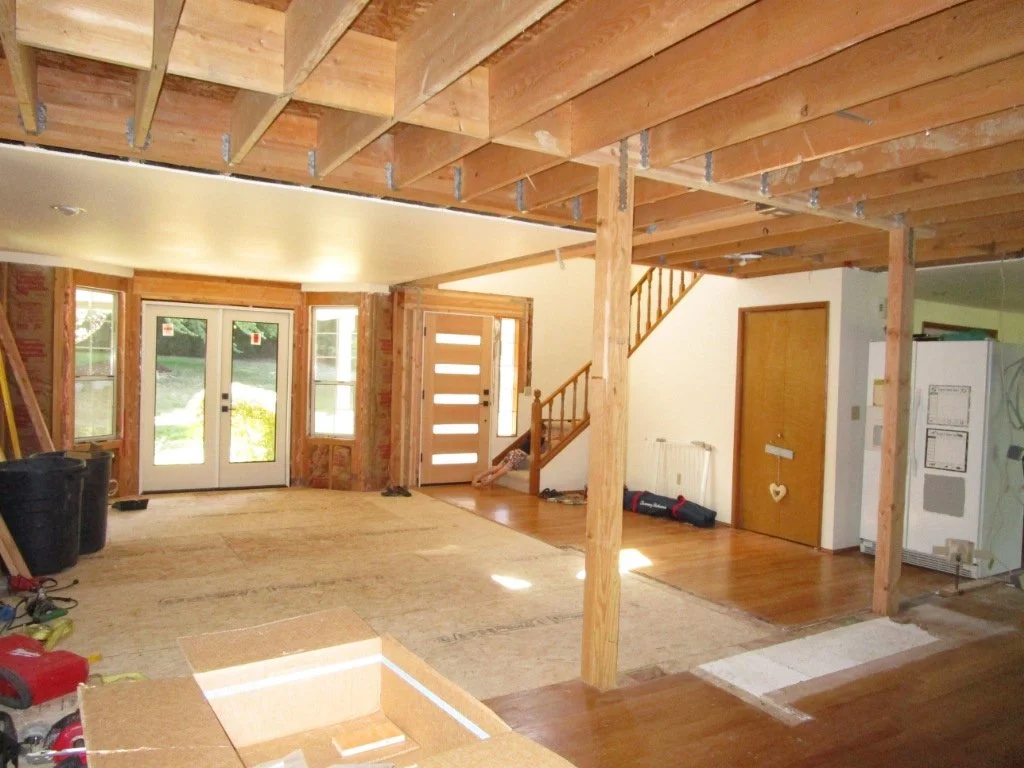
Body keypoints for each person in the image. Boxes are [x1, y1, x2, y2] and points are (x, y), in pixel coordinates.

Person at [472, 434, 536, 487]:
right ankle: (487, 481)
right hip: (518, 456)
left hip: (513, 452)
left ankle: (478, 476)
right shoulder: (538, 440)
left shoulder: (528, 437)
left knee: (498, 467)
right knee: (503, 470)